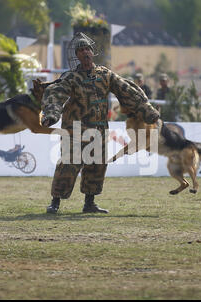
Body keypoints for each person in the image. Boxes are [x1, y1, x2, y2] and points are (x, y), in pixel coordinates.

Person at [41, 33, 160, 214]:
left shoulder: (105, 75)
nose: (85, 53)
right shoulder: (71, 78)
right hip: (75, 132)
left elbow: (127, 91)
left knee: (97, 165)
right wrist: (50, 114)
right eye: (81, 51)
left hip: (99, 131)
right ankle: (55, 202)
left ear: (92, 52)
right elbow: (56, 94)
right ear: (77, 56)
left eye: (87, 49)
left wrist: (148, 112)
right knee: (68, 165)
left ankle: (90, 203)